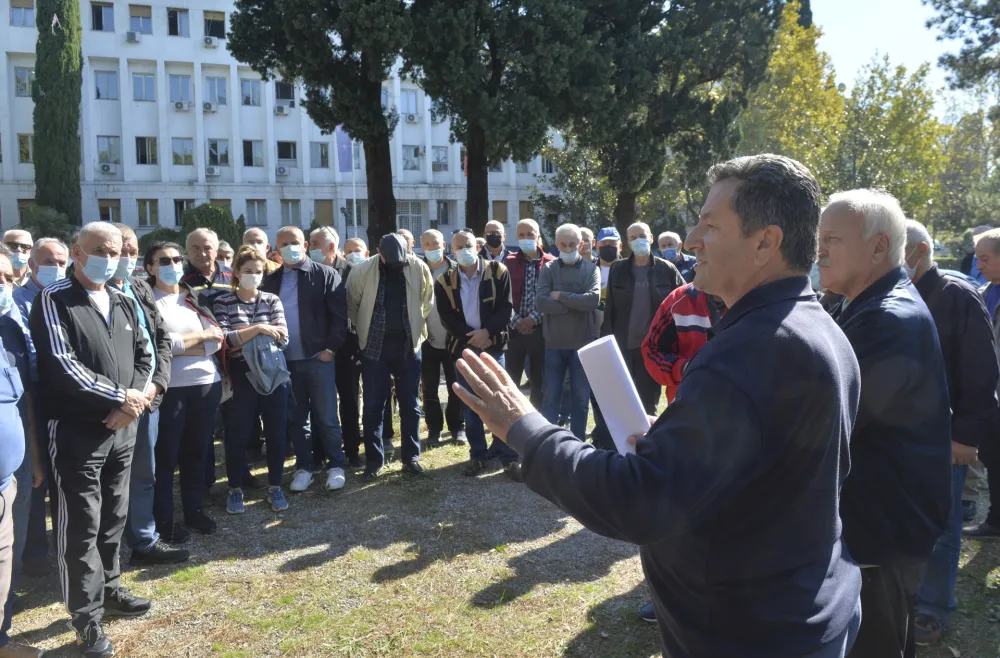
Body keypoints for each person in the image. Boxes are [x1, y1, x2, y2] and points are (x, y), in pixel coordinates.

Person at [452, 154, 863, 657]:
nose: (691, 240)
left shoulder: (750, 351)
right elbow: (766, 467)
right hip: (797, 609)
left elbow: (638, 501)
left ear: (765, 242)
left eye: (710, 225)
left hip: (749, 633)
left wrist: (526, 427)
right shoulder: (816, 326)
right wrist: (674, 441)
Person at [819, 189, 951, 658]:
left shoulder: (887, 318)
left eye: (832, 239)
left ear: (878, 247)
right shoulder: (863, 305)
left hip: (880, 533)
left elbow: (829, 421)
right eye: (819, 239)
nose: (819, 251)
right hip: (878, 524)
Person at [29, 222, 154, 658]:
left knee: (114, 517)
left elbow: (145, 356)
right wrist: (121, 397)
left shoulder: (123, 299)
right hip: (77, 432)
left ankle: (111, 589)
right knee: (80, 526)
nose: (109, 258)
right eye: (99, 250)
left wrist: (132, 405)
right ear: (77, 252)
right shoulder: (55, 298)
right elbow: (63, 365)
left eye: (115, 251)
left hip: (123, 429)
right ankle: (85, 616)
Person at [901, 219, 999, 645]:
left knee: (942, 525)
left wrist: (966, 437)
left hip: (944, 436)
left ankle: (933, 607)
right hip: (900, 433)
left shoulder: (956, 295)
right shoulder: (893, 293)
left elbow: (981, 372)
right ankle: (904, 594)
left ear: (920, 250)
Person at [107, 226, 187, 566]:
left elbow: (161, 340)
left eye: (131, 251)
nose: (126, 257)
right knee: (110, 481)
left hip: (147, 400)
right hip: (112, 405)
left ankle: (143, 541)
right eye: (118, 250)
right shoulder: (88, 292)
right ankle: (106, 554)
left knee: (144, 475)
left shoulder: (139, 287)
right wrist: (123, 397)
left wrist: (157, 386)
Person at [261, 227, 349, 492]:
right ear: (276, 250)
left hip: (318, 358)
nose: (290, 247)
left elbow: (339, 317)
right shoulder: (271, 280)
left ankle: (336, 465)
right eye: (284, 244)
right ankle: (305, 467)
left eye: (295, 242)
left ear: (305, 245)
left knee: (327, 417)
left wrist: (330, 349)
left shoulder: (325, 274)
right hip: (285, 362)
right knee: (297, 419)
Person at [148, 241, 225, 541]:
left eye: (176, 259)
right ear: (150, 267)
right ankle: (164, 519)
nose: (172, 265)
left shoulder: (193, 297)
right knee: (166, 456)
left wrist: (186, 344)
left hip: (205, 385)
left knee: (197, 451)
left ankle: (194, 511)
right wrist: (200, 338)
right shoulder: (148, 300)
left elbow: (216, 341)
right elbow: (158, 345)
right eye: (164, 261)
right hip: (170, 389)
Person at [346, 234, 433, 480]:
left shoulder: (418, 267)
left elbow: (427, 300)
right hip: (374, 347)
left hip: (408, 346)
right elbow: (353, 305)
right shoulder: (361, 271)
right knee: (373, 406)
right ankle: (374, 462)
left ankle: (411, 458)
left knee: (410, 405)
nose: (397, 265)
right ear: (379, 252)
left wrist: (415, 327)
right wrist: (365, 332)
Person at [214, 246, 291, 514]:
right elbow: (225, 340)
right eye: (248, 271)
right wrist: (260, 328)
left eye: (258, 272)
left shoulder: (271, 300)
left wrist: (244, 336)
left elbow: (282, 336)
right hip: (240, 374)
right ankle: (235, 488)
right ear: (236, 272)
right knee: (237, 432)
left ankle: (275, 485)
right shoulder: (224, 302)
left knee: (276, 432)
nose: (254, 276)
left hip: (273, 373)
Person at [435, 230, 517, 478]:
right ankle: (478, 456)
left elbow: (506, 308)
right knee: (471, 406)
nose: (464, 250)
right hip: (464, 348)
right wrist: (472, 337)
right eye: (458, 247)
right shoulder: (444, 280)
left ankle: (509, 457)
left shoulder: (498, 271)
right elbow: (447, 317)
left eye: (468, 245)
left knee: (501, 402)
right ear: (451, 250)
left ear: (478, 246)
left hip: (493, 346)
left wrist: (486, 332)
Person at [14, 237, 68, 578]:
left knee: (66, 478)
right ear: (32, 265)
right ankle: (34, 555)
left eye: (62, 262)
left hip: (66, 401)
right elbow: (29, 353)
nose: (57, 268)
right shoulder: (19, 301)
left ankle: (65, 549)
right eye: (49, 262)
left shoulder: (68, 297)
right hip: (34, 398)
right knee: (36, 480)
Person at [0, 246, 43, 658]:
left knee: (5, 559)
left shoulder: (10, 327)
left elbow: (23, 395)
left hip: (11, 474)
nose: (3, 286)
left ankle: (2, 636)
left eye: (7, 279)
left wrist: (34, 458)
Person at [600, 222, 683, 413]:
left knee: (648, 404)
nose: (638, 241)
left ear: (651, 238)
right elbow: (610, 309)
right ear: (628, 242)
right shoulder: (618, 269)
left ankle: (649, 433)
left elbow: (683, 300)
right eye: (633, 238)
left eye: (642, 236)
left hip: (653, 347)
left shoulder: (667, 269)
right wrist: (607, 342)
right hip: (623, 345)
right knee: (621, 402)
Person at [536, 224, 600, 441]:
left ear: (581, 245)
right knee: (550, 399)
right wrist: (574, 303)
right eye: (563, 245)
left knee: (580, 400)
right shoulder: (548, 269)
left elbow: (592, 301)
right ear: (556, 245)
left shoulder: (591, 269)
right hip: (554, 344)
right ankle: (549, 443)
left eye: (572, 244)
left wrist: (560, 295)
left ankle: (578, 443)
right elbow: (541, 302)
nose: (568, 248)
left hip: (582, 345)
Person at [642, 282, 726, 403]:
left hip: (734, 408)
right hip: (684, 406)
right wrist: (682, 368)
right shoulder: (678, 299)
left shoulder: (752, 304)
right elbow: (651, 350)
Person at [967, 227, 1000, 539]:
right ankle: (996, 521)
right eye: (978, 259)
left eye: (985, 259)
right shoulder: (981, 294)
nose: (979, 266)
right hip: (989, 395)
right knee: (992, 457)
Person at [420, 230, 465, 446]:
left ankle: (457, 427)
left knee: (456, 386)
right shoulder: (417, 270)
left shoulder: (457, 270)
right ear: (422, 247)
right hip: (426, 340)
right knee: (429, 388)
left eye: (435, 243)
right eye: (427, 244)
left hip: (453, 338)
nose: (432, 248)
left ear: (444, 245)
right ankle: (434, 429)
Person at [504, 219, 555, 408]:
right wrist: (517, 320)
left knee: (539, 381)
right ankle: (511, 418)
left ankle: (537, 418)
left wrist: (532, 320)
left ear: (538, 237)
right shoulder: (508, 262)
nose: (526, 238)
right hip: (514, 331)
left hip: (541, 330)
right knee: (510, 381)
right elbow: (502, 297)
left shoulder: (551, 263)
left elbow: (553, 297)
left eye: (530, 234)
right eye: (521, 235)